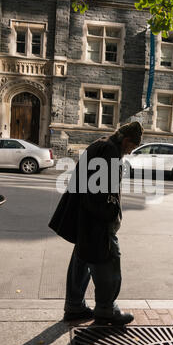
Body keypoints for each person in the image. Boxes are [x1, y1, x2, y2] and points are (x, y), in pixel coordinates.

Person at [49, 121, 144, 325]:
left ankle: (75, 306)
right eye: (132, 147)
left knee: (82, 258)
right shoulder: (110, 151)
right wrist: (110, 215)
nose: (130, 151)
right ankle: (106, 309)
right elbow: (102, 190)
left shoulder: (100, 144)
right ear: (126, 140)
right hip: (97, 218)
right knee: (108, 259)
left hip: (85, 215)